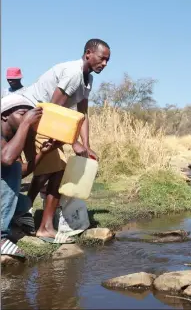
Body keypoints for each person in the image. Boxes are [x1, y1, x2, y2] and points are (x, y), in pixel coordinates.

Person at [17, 38, 110, 242]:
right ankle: (45, 227)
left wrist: (86, 145)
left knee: (45, 171)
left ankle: (22, 213)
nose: (104, 64)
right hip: (33, 117)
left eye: (107, 61)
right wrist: (73, 142)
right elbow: (53, 111)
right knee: (57, 170)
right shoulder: (73, 73)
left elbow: (82, 114)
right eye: (102, 59)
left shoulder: (88, 79)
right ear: (88, 53)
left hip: (43, 119)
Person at [1, 95, 65, 258]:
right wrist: (26, 124)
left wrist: (43, 153)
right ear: (4, 115)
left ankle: (17, 216)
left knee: (25, 203)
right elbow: (7, 160)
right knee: (11, 167)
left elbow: (21, 172)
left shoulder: (11, 137)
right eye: (22, 114)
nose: (28, 118)